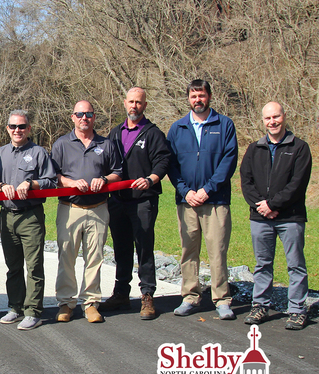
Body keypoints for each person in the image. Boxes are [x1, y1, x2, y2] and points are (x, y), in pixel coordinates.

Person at [167, 79, 238, 320]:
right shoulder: (178, 128)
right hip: (186, 202)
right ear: (188, 99)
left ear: (209, 96)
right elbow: (171, 165)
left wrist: (207, 189)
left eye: (202, 95)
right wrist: (185, 191)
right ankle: (190, 296)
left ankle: (222, 299)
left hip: (215, 201)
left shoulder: (224, 124)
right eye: (193, 96)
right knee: (189, 250)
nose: (198, 100)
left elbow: (228, 161)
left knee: (217, 251)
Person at [240, 102, 312, 330]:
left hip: (291, 217)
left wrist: (273, 204)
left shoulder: (300, 148)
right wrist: (262, 206)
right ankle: (260, 305)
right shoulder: (254, 149)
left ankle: (297, 310)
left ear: (284, 116)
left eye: (276, 117)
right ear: (263, 121)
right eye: (268, 118)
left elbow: (297, 184)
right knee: (262, 264)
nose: (272, 122)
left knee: (295, 265)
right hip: (260, 218)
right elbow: (246, 182)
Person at [101, 87, 170, 320]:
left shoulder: (152, 133)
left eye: (139, 102)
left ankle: (147, 295)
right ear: (124, 103)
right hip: (118, 201)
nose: (134, 106)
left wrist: (151, 180)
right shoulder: (115, 133)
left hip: (143, 201)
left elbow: (164, 160)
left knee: (143, 247)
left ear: (145, 105)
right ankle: (121, 292)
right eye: (131, 102)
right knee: (121, 249)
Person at [51, 100, 122, 324]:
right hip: (70, 208)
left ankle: (91, 303)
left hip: (99, 209)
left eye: (88, 114)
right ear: (72, 117)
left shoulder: (106, 144)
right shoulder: (62, 144)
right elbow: (54, 176)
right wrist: (71, 182)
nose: (84, 118)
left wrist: (103, 180)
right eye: (80, 114)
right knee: (67, 258)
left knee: (95, 258)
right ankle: (65, 303)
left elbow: (117, 172)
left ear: (93, 117)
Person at [0, 109, 56, 331]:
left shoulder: (39, 152)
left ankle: (33, 311)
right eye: (13, 126)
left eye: (22, 126)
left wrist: (32, 183)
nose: (17, 130)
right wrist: (0, 186)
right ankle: (15, 307)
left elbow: (51, 181)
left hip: (30, 216)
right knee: (13, 266)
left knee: (34, 265)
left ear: (29, 128)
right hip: (7, 216)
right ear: (7, 128)